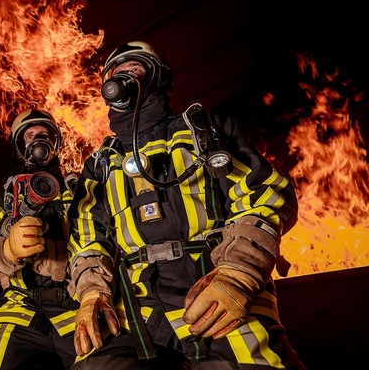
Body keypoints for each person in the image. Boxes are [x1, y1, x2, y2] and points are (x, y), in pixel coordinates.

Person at [66, 41, 307, 369]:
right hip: (136, 303)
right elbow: (86, 235)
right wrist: (92, 291)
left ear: (159, 78)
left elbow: (264, 196)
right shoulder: (101, 163)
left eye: (134, 67)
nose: (122, 74)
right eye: (115, 71)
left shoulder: (204, 130)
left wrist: (238, 274)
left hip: (213, 284)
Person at [0, 108, 79, 370]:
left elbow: (103, 247)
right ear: (19, 147)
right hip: (18, 309)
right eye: (30, 136)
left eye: (44, 135)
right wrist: (6, 251)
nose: (38, 141)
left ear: (56, 143)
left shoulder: (78, 192)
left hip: (76, 308)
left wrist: (55, 256)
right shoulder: (1, 200)